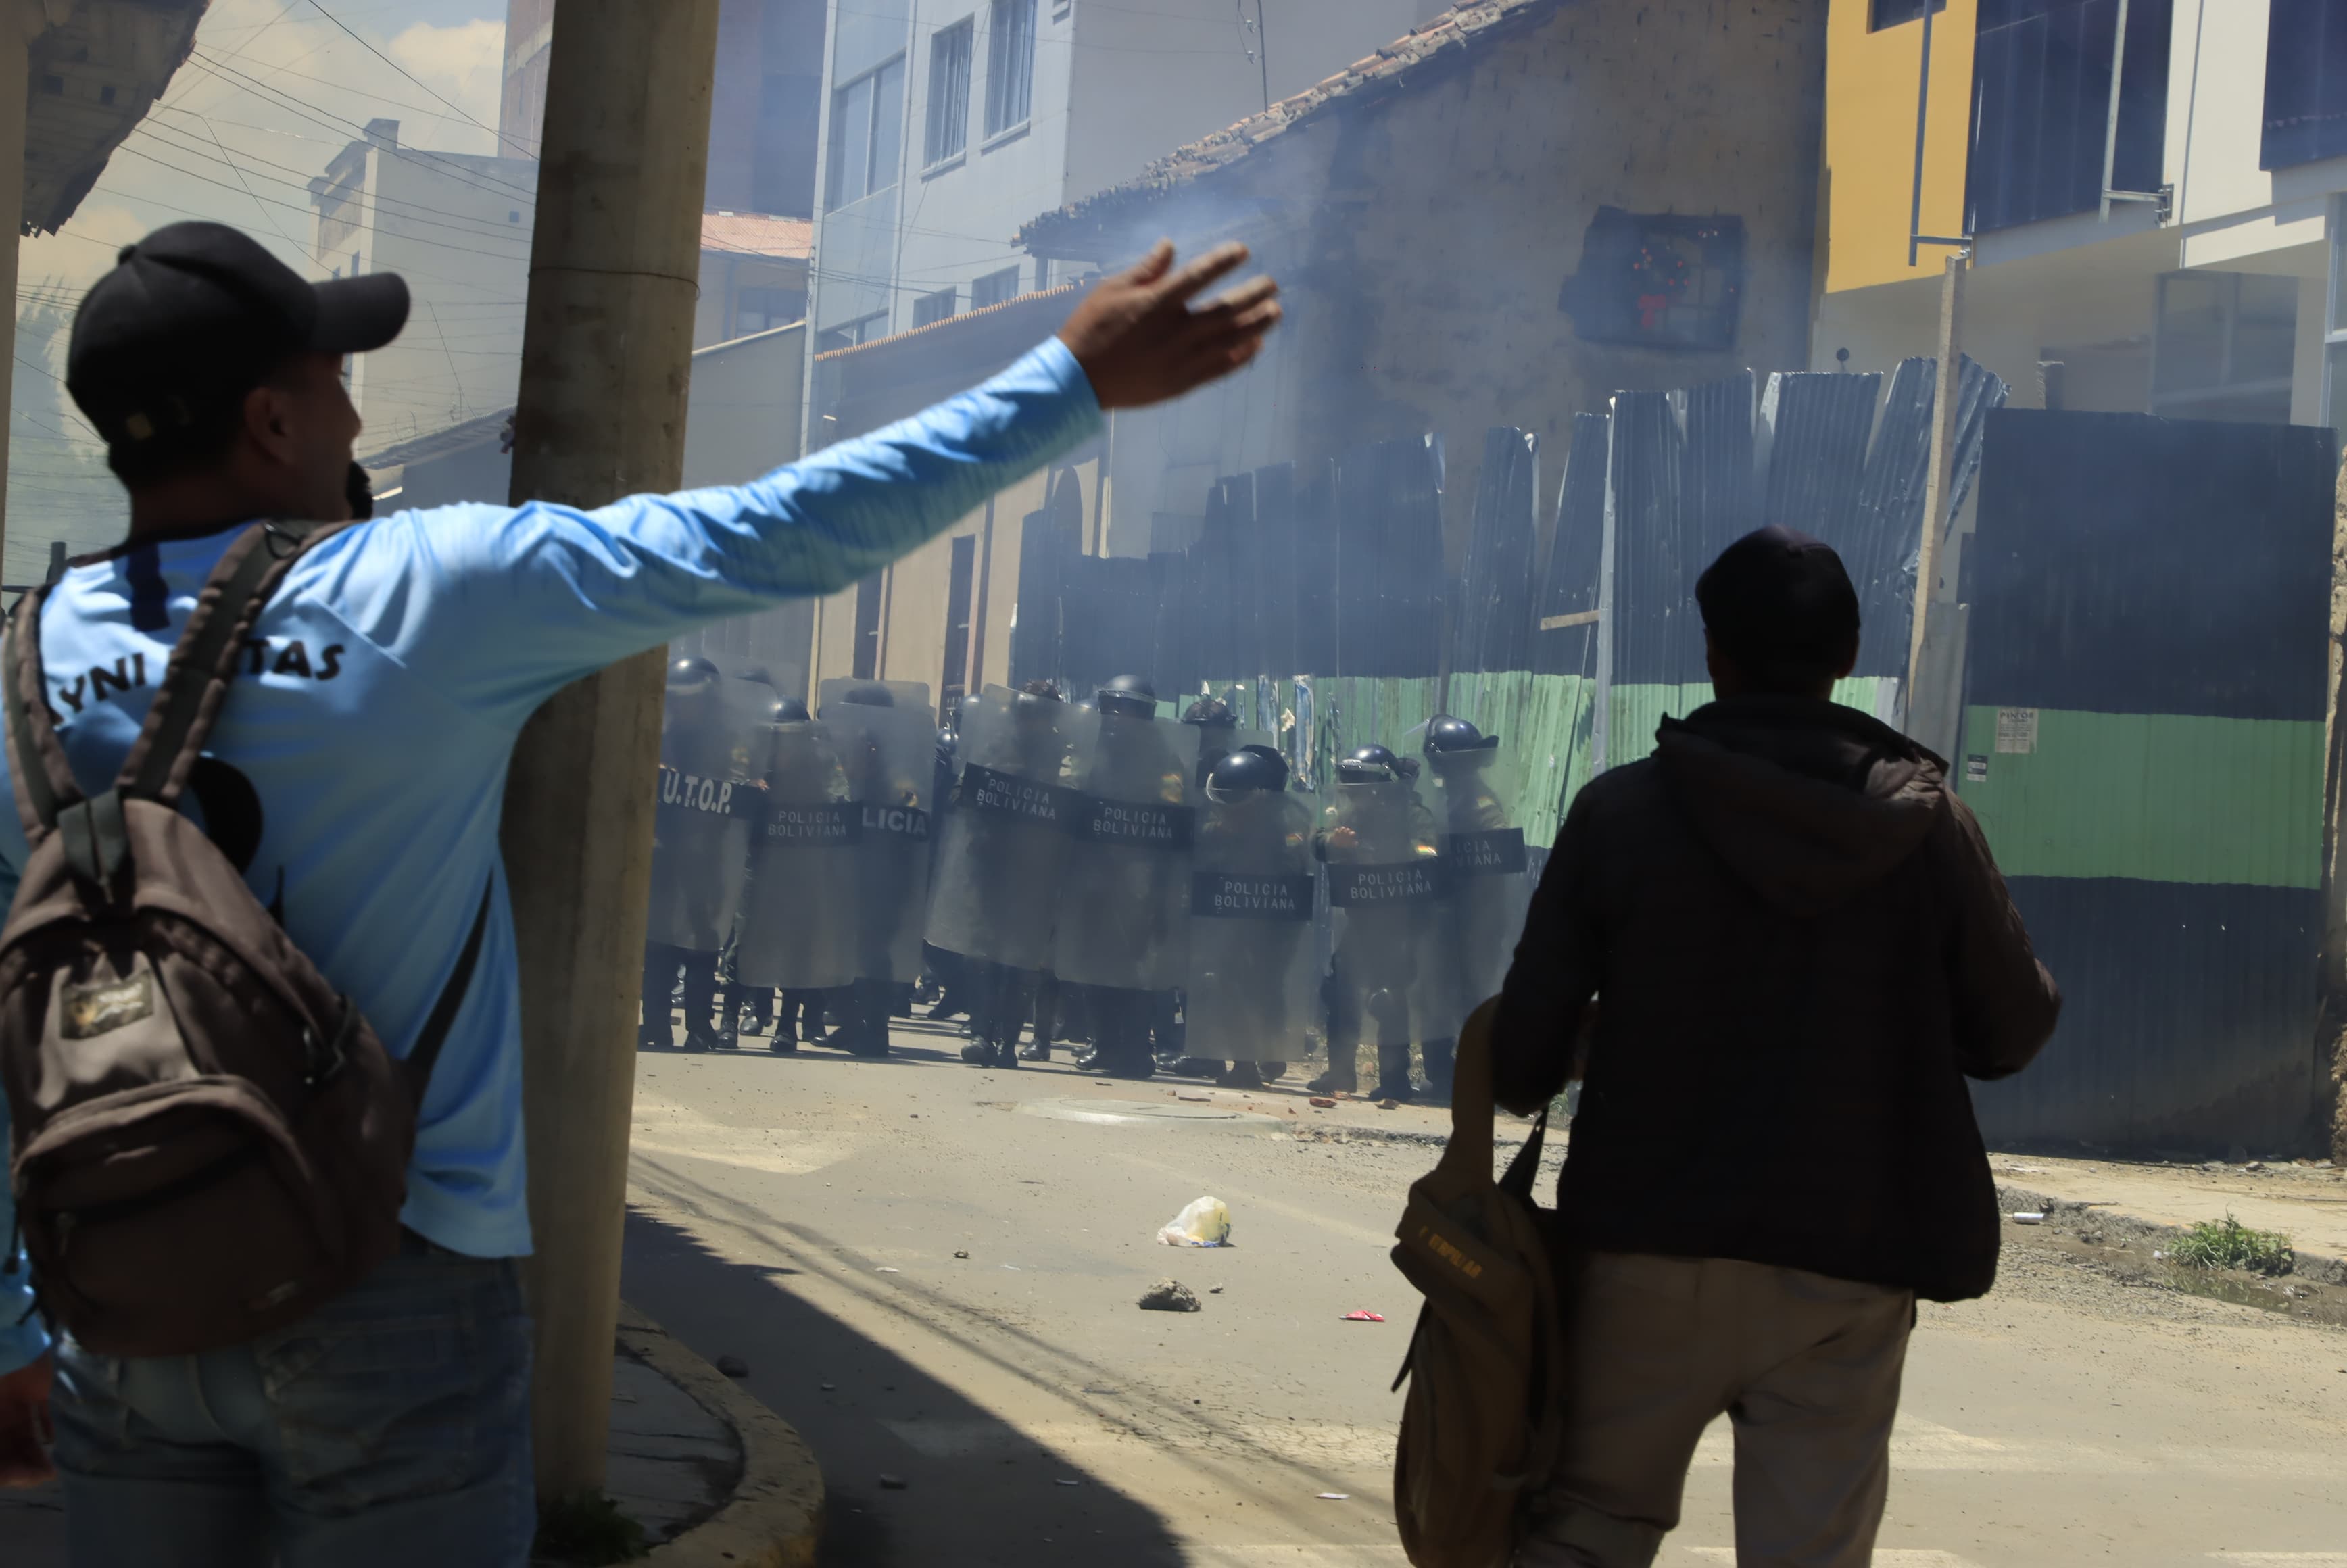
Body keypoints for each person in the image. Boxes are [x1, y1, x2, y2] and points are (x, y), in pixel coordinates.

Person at [0, 218, 1277, 1562]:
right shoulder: (422, 586)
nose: (354, 409)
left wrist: (13, 1324)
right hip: (390, 1281)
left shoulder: (22, 663)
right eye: (333, 380)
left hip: (120, 1290)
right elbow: (775, 534)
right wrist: (1065, 381)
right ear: (270, 419)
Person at [1491, 526, 2060, 1568]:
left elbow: (1518, 1062)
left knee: (1588, 1528)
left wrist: (1572, 1050)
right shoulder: (1930, 829)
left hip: (1643, 1252)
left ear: (1713, 655)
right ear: (1849, 656)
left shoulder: (1621, 813)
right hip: (1850, 1259)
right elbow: (2012, 1030)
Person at [1312, 744, 1440, 1099]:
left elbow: (1428, 855)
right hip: (1362, 918)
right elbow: (1317, 840)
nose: (1354, 792)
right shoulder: (1351, 814)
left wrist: (1390, 855)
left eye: (1361, 784)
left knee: (1389, 996)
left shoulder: (1413, 815)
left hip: (1401, 922)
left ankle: (1395, 1081)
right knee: (1340, 992)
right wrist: (1333, 841)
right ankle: (1339, 1074)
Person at [642, 656, 756, 1051]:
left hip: (707, 857)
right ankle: (655, 1023)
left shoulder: (728, 742)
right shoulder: (661, 735)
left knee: (700, 946)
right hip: (663, 853)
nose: (678, 704)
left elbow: (743, 790)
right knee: (656, 944)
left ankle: (699, 1027)